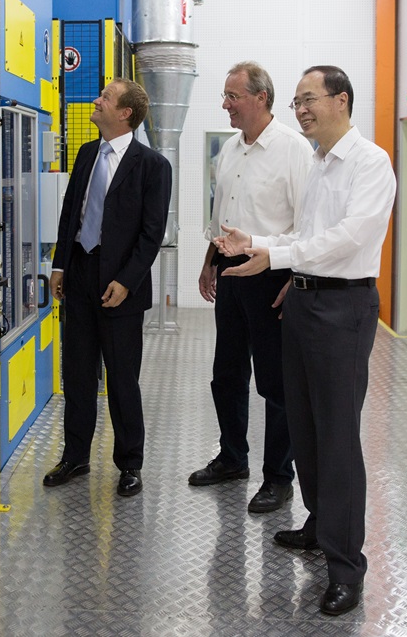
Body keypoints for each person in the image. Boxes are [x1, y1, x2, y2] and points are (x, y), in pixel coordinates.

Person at [215, 65, 395, 616]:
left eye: (309, 99)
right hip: (302, 303)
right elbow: (305, 234)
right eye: (296, 102)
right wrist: (258, 241)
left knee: (337, 437)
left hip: (343, 307)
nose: (301, 110)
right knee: (305, 425)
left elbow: (349, 238)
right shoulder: (317, 163)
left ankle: (346, 568)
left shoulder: (370, 162)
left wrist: (279, 255)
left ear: (342, 100)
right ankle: (320, 525)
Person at [191, 62, 312, 514]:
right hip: (230, 272)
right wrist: (210, 261)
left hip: (271, 275)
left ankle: (279, 477)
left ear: (261, 98)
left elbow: (307, 225)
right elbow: (220, 212)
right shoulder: (229, 149)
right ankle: (232, 459)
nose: (225, 104)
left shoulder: (293, 150)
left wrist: (293, 277)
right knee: (227, 373)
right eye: (225, 96)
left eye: (233, 96)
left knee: (275, 382)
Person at [46, 79, 171, 497]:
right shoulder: (86, 154)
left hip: (120, 286)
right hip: (80, 275)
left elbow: (151, 234)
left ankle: (130, 464)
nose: (97, 101)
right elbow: (71, 214)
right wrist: (60, 264)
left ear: (125, 113)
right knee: (78, 375)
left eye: (106, 98)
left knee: (121, 380)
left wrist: (126, 281)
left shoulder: (152, 166)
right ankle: (75, 456)